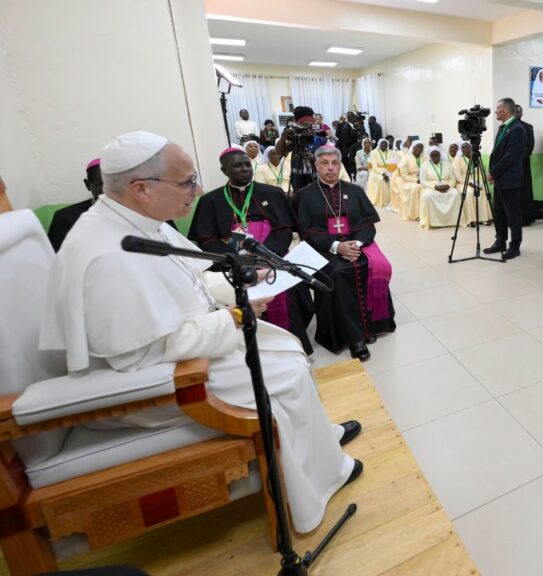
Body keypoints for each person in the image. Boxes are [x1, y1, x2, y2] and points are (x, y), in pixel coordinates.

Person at [40, 131, 362, 535]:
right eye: (187, 181)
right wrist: (233, 318)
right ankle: (318, 477)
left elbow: (190, 279)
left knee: (285, 344)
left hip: (179, 352)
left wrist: (248, 281)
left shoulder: (142, 222)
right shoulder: (106, 252)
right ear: (141, 188)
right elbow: (142, 351)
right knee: (286, 368)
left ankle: (320, 444)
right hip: (152, 381)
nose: (197, 190)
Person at [189, 147, 313, 354]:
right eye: (237, 166)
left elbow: (284, 229)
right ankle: (257, 347)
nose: (244, 169)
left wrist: (265, 254)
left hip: (271, 256)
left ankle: (292, 344)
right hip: (232, 262)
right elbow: (206, 239)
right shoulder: (211, 200)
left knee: (289, 290)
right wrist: (237, 258)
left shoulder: (272, 193)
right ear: (224, 170)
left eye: (247, 164)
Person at [295, 145, 395, 360]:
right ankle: (354, 337)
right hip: (322, 249)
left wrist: (355, 244)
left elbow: (369, 225)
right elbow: (306, 232)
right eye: (324, 163)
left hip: (356, 245)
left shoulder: (355, 191)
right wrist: (336, 247)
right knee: (339, 272)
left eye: (335, 163)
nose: (330, 168)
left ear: (340, 165)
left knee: (372, 266)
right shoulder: (304, 195)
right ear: (316, 166)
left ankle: (371, 326)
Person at [485, 97, 527, 260]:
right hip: (500, 180)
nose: (495, 111)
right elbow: (497, 154)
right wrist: (494, 173)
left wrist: (493, 173)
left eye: (498, 108)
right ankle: (500, 241)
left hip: (510, 180)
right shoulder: (503, 128)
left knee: (513, 215)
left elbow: (510, 157)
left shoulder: (517, 129)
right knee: (499, 213)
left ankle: (515, 246)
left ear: (506, 110)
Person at [48, 158, 103, 251]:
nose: (110, 190)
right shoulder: (65, 218)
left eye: (114, 184)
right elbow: (56, 258)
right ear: (88, 185)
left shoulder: (132, 209)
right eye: (101, 184)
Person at [274, 106, 328, 196]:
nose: (309, 130)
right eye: (305, 127)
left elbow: (331, 161)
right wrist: (284, 137)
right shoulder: (293, 140)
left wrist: (314, 157)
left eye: (311, 126)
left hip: (319, 179)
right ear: (298, 128)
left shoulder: (322, 140)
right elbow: (277, 154)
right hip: (298, 181)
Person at [419, 146, 460, 228]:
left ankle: (453, 221)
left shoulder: (447, 164)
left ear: (440, 155)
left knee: (455, 194)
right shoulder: (424, 165)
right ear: (430, 156)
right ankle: (433, 222)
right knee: (428, 196)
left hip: (446, 185)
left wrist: (448, 186)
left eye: (437, 155)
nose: (435, 157)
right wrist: (435, 187)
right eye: (433, 156)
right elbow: (423, 181)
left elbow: (452, 179)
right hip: (431, 186)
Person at [454, 141, 493, 227]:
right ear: (461, 149)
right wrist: (469, 183)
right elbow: (458, 176)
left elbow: (480, 172)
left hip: (476, 181)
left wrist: (480, 184)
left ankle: (484, 218)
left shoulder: (476, 158)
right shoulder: (457, 160)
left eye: (467, 146)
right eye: (463, 147)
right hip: (462, 182)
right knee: (469, 193)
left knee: (482, 192)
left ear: (471, 148)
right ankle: (471, 219)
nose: (466, 149)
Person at [514, 104, 536, 226]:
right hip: (510, 165)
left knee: (524, 190)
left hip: (523, 163)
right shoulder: (505, 127)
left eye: (519, 112)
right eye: (514, 112)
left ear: (521, 114)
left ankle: (525, 219)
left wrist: (517, 157)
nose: (517, 114)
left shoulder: (528, 127)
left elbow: (530, 146)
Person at [396, 140, 425, 221]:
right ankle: (417, 214)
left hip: (422, 179)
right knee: (417, 188)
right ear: (413, 148)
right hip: (408, 181)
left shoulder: (424, 158)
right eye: (418, 147)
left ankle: (426, 212)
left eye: (421, 147)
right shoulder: (406, 158)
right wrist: (416, 180)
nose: (419, 149)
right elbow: (403, 175)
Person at [365, 139, 393, 207]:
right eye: (382, 144)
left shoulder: (390, 152)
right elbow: (374, 167)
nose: (384, 145)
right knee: (381, 179)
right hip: (376, 171)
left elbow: (392, 163)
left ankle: (392, 200)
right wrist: (382, 173)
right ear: (379, 144)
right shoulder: (374, 152)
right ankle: (382, 200)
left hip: (388, 170)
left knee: (395, 178)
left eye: (386, 144)